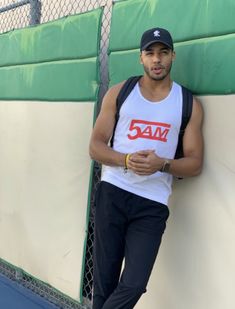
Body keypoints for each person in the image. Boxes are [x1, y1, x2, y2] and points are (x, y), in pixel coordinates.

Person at [89, 27, 203, 309]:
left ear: (172, 56)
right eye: (150, 53)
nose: (157, 59)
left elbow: (195, 163)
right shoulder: (121, 92)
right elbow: (95, 146)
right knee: (104, 282)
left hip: (152, 203)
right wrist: (126, 160)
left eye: (163, 52)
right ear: (141, 58)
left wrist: (162, 164)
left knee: (135, 283)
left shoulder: (188, 103)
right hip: (113, 191)